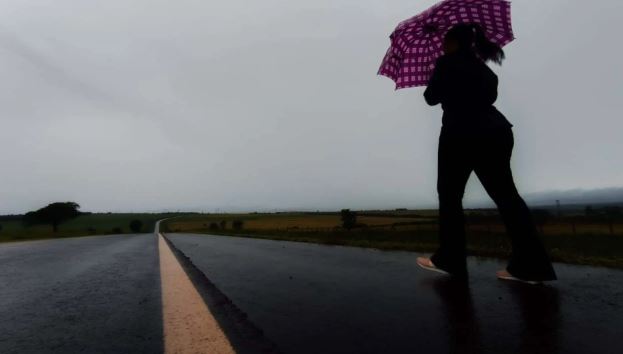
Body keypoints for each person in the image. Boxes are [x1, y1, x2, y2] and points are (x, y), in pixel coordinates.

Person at [416, 23, 557, 284]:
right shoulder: (484, 70)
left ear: (454, 42)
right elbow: (487, 97)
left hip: (460, 134)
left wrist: (436, 73)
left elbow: (430, 98)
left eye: (445, 40)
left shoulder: (446, 63)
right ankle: (532, 266)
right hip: (497, 131)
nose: (442, 45)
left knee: (449, 196)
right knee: (507, 197)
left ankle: (450, 259)